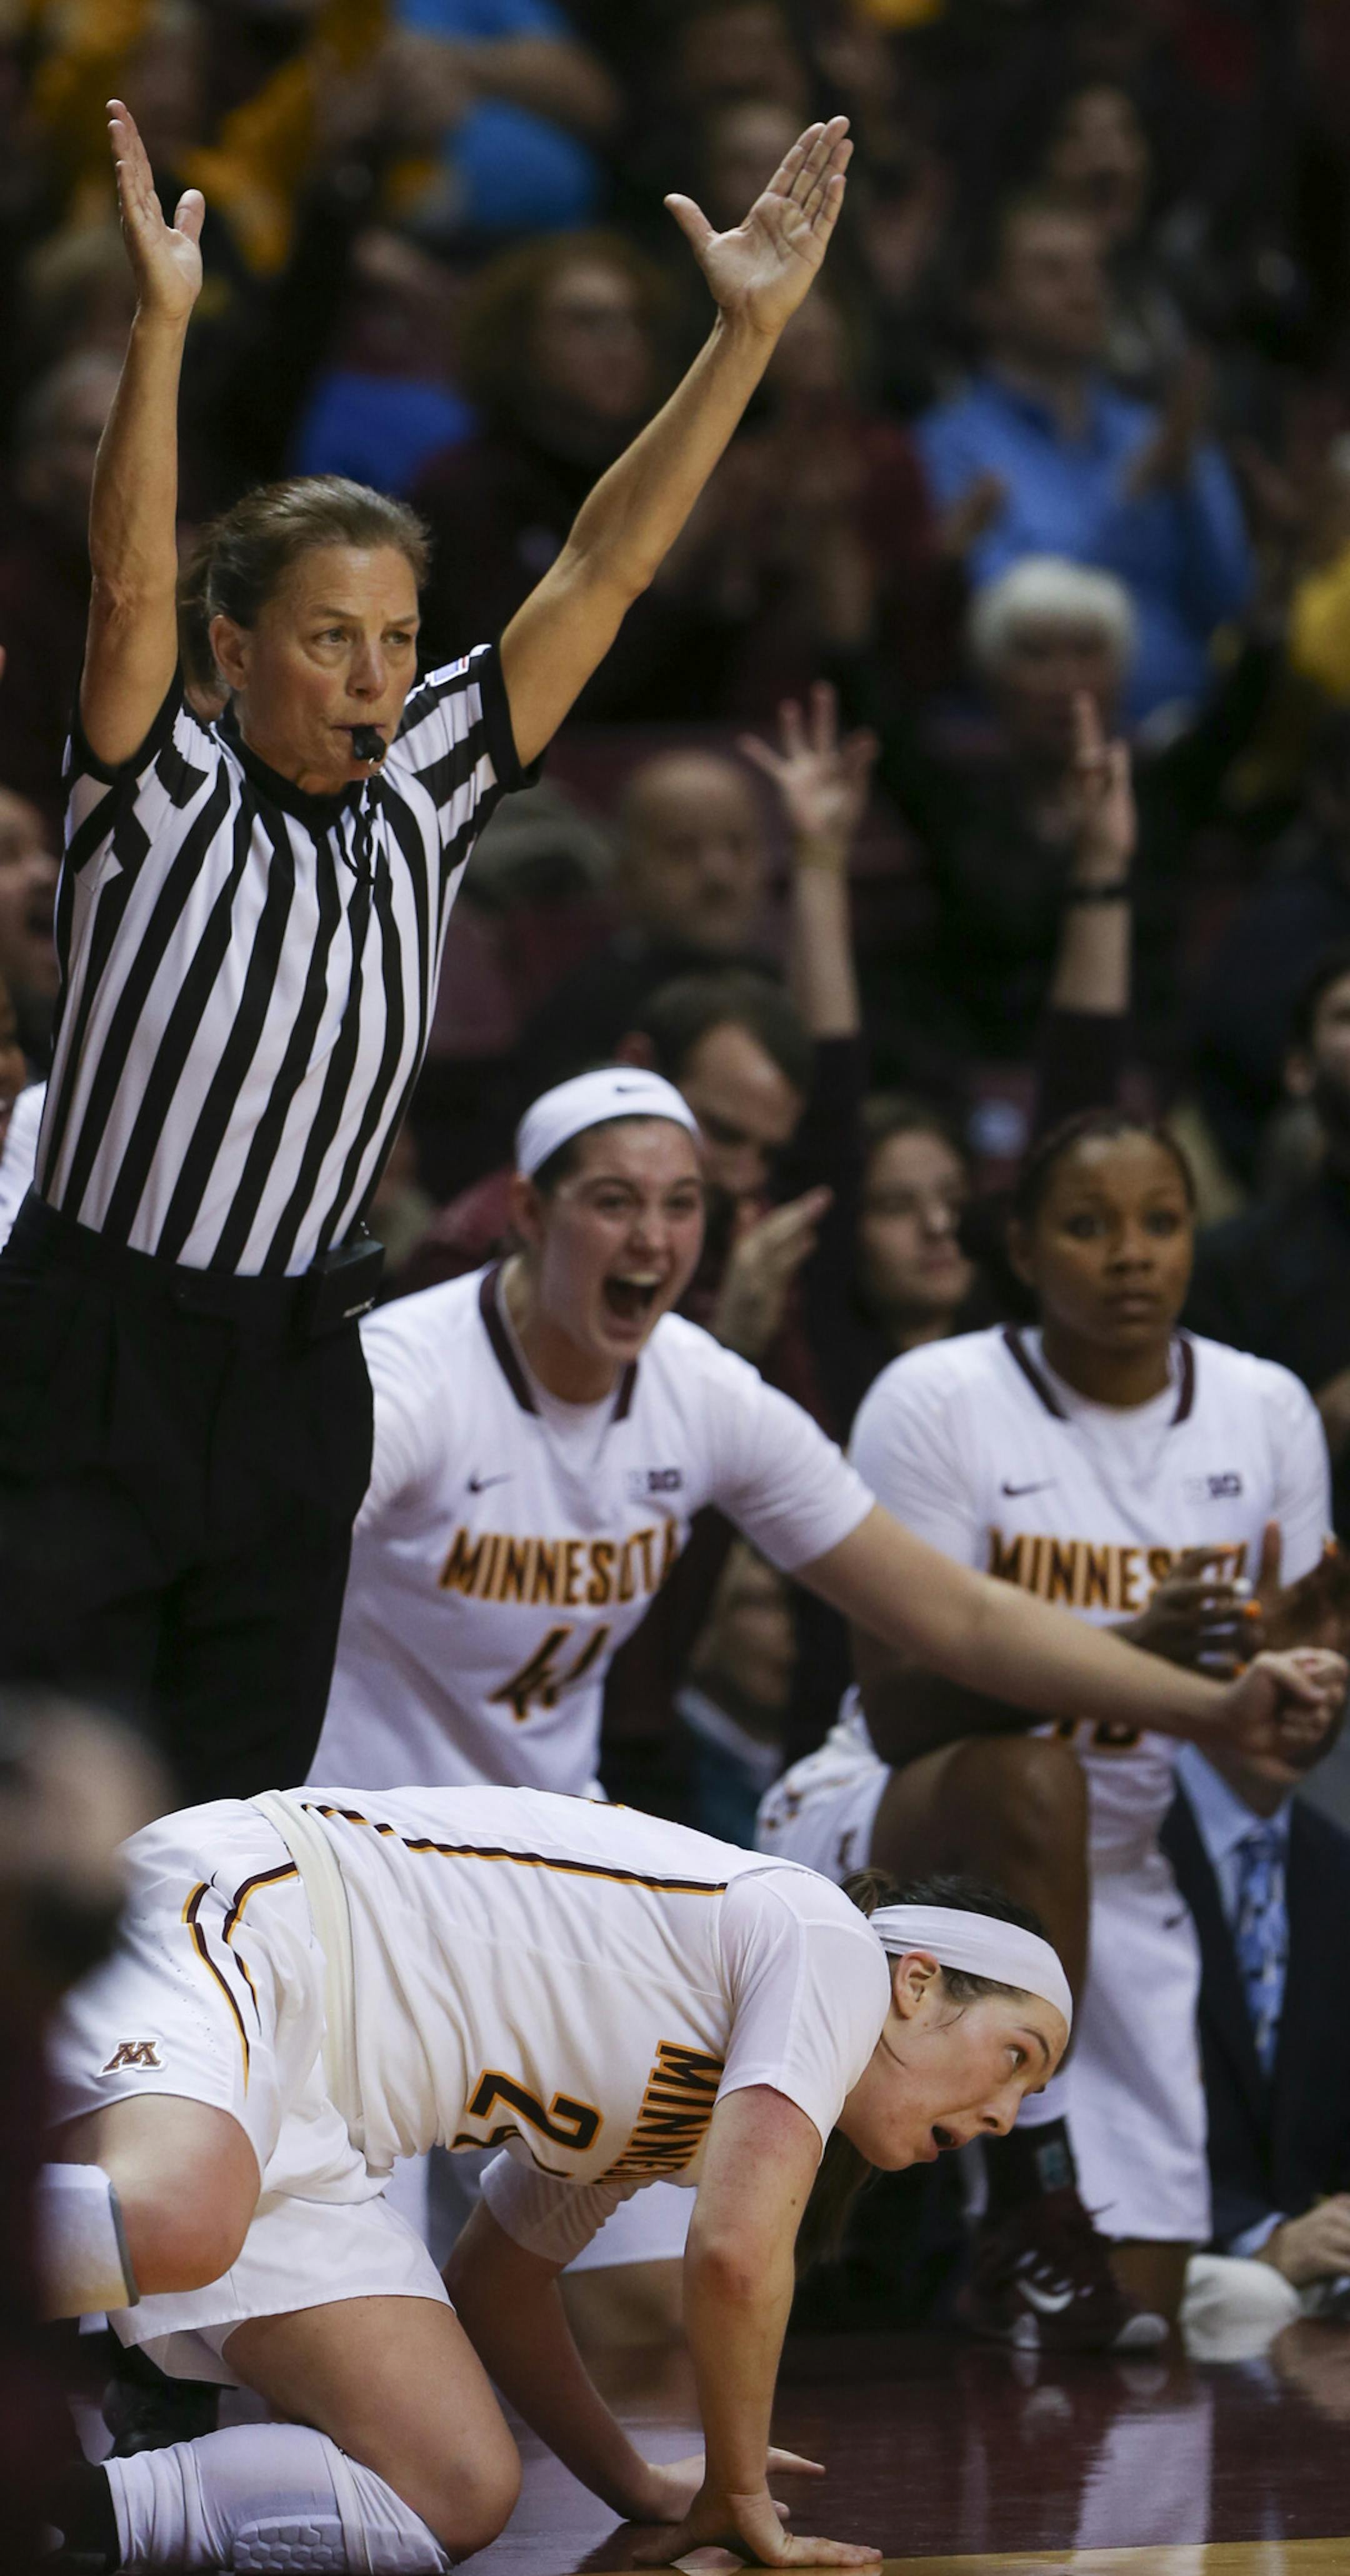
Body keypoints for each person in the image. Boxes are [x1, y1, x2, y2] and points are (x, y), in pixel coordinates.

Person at [0, 99, 856, 1800]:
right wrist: (161, 334)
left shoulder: (435, 787)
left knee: (229, 1828)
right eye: (333, 639)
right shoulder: (154, 788)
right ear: (235, 652)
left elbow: (608, 563)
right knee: (53, 1819)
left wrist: (739, 340)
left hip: (307, 1363)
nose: (380, 674)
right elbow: (121, 589)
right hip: (97, 1353)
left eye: (397, 639)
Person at [41, 1826, 1071, 2574]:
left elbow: (500, 2280)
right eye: (1014, 2057)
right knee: (181, 2215)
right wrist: (737, 2489)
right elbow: (735, 2256)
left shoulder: (691, 2107)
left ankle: (43, 2511)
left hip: (317, 2122)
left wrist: (633, 2481)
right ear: (918, 1981)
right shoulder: (828, 1942)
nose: (1005, 2114)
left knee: (453, 2491)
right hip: (259, 1914)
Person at [758, 1105, 1340, 2350]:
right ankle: (1031, 2187)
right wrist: (1128, 1652)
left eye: (1161, 1224)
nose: (1131, 1255)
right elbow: (906, 1704)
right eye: (1089, 1227)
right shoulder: (938, 1396)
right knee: (1039, 1781)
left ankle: (1028, 2245)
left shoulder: (1266, 1410)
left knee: (1119, 2321)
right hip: (900, 1818)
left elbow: (1264, 1766)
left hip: (1121, 1876)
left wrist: (1298, 1685)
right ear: (1020, 1248)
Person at [914, 192, 1251, 724]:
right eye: (1052, 272)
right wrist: (1133, 494)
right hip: (1024, 757)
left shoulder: (1155, 431)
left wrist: (1189, 493)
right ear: (987, 300)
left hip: (1186, 743)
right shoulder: (954, 443)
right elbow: (1018, 623)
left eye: (1094, 269)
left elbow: (1232, 605)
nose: (1085, 291)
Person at [1162, 1728, 1350, 2354]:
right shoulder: (1110, 1837)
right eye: (1292, 1626)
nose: (1317, 1671)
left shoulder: (1334, 1862)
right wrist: (1256, 2236)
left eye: (1340, 1642)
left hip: (1306, 2256)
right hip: (1138, 2242)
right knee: (1252, 2299)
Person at [1188, 945, 1350, 1539]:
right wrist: (1321, 1425)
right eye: (1346, 1016)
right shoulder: (1228, 1266)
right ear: (1299, 1069)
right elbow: (1196, 1481)